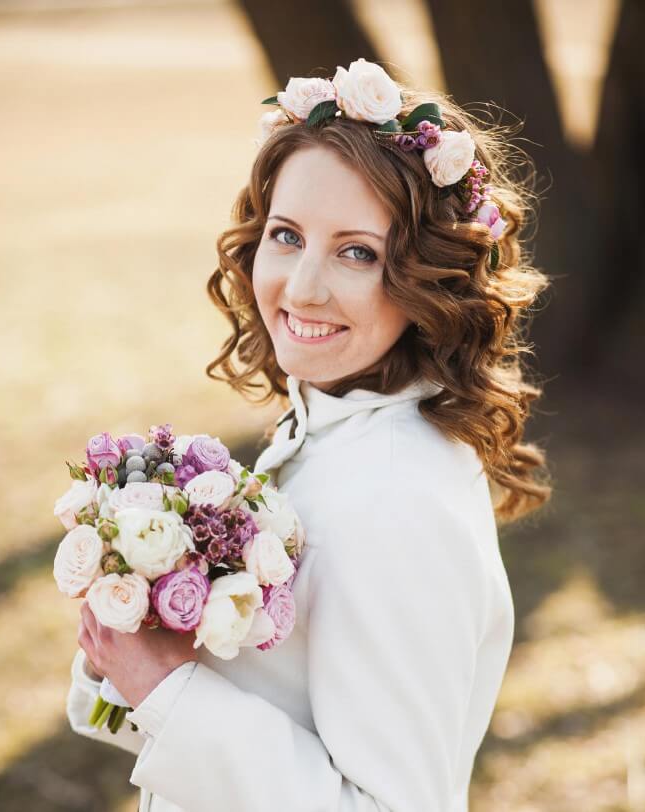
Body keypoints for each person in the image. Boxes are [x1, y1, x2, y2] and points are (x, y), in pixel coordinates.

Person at [66, 58, 553, 811]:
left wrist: (166, 687)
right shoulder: (333, 429)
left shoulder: (397, 500)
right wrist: (127, 659)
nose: (301, 288)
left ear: (426, 278)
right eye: (287, 235)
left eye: (357, 251)